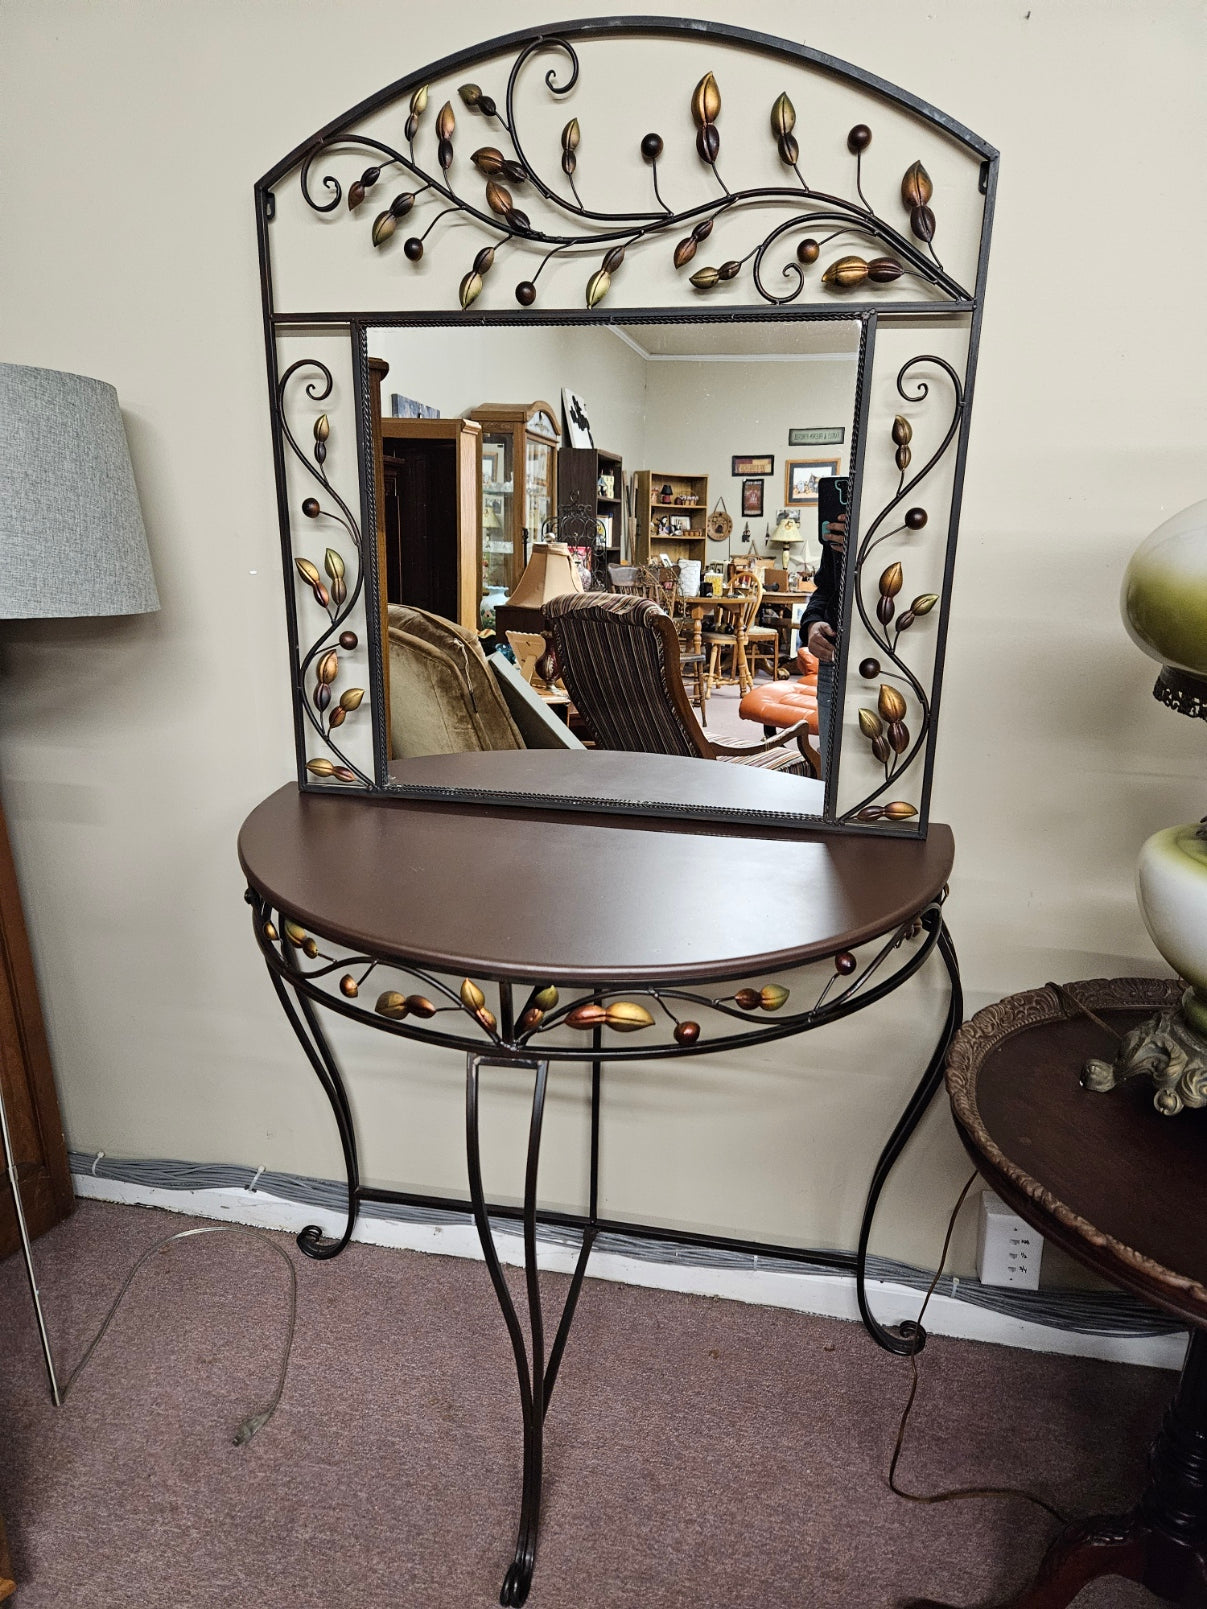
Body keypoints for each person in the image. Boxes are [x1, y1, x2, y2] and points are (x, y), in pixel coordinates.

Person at [798, 506, 847, 763]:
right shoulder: (839, 526)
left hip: (893, 658)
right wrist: (812, 623)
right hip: (832, 661)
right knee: (833, 775)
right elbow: (826, 588)